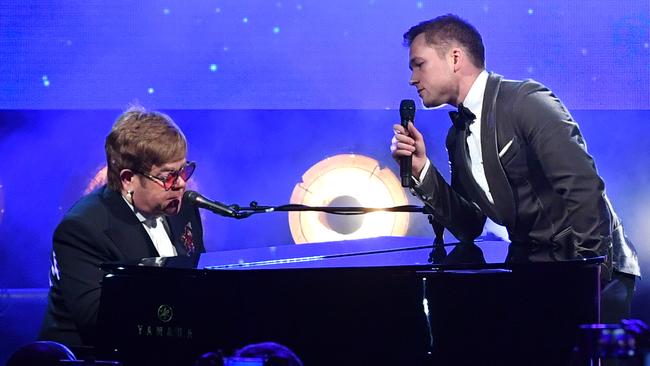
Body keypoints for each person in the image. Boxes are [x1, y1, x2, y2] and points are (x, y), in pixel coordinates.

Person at [390, 14, 640, 322]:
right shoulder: (457, 137)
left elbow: (584, 190)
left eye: (419, 64)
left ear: (455, 58)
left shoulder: (525, 101)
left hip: (593, 267)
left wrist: (587, 275)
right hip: (534, 269)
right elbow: (469, 226)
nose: (413, 78)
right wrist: (421, 169)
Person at [39, 106, 204, 350]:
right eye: (168, 176)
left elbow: (198, 283)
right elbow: (98, 322)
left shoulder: (183, 209)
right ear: (128, 179)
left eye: (183, 170)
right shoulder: (81, 229)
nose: (180, 184)